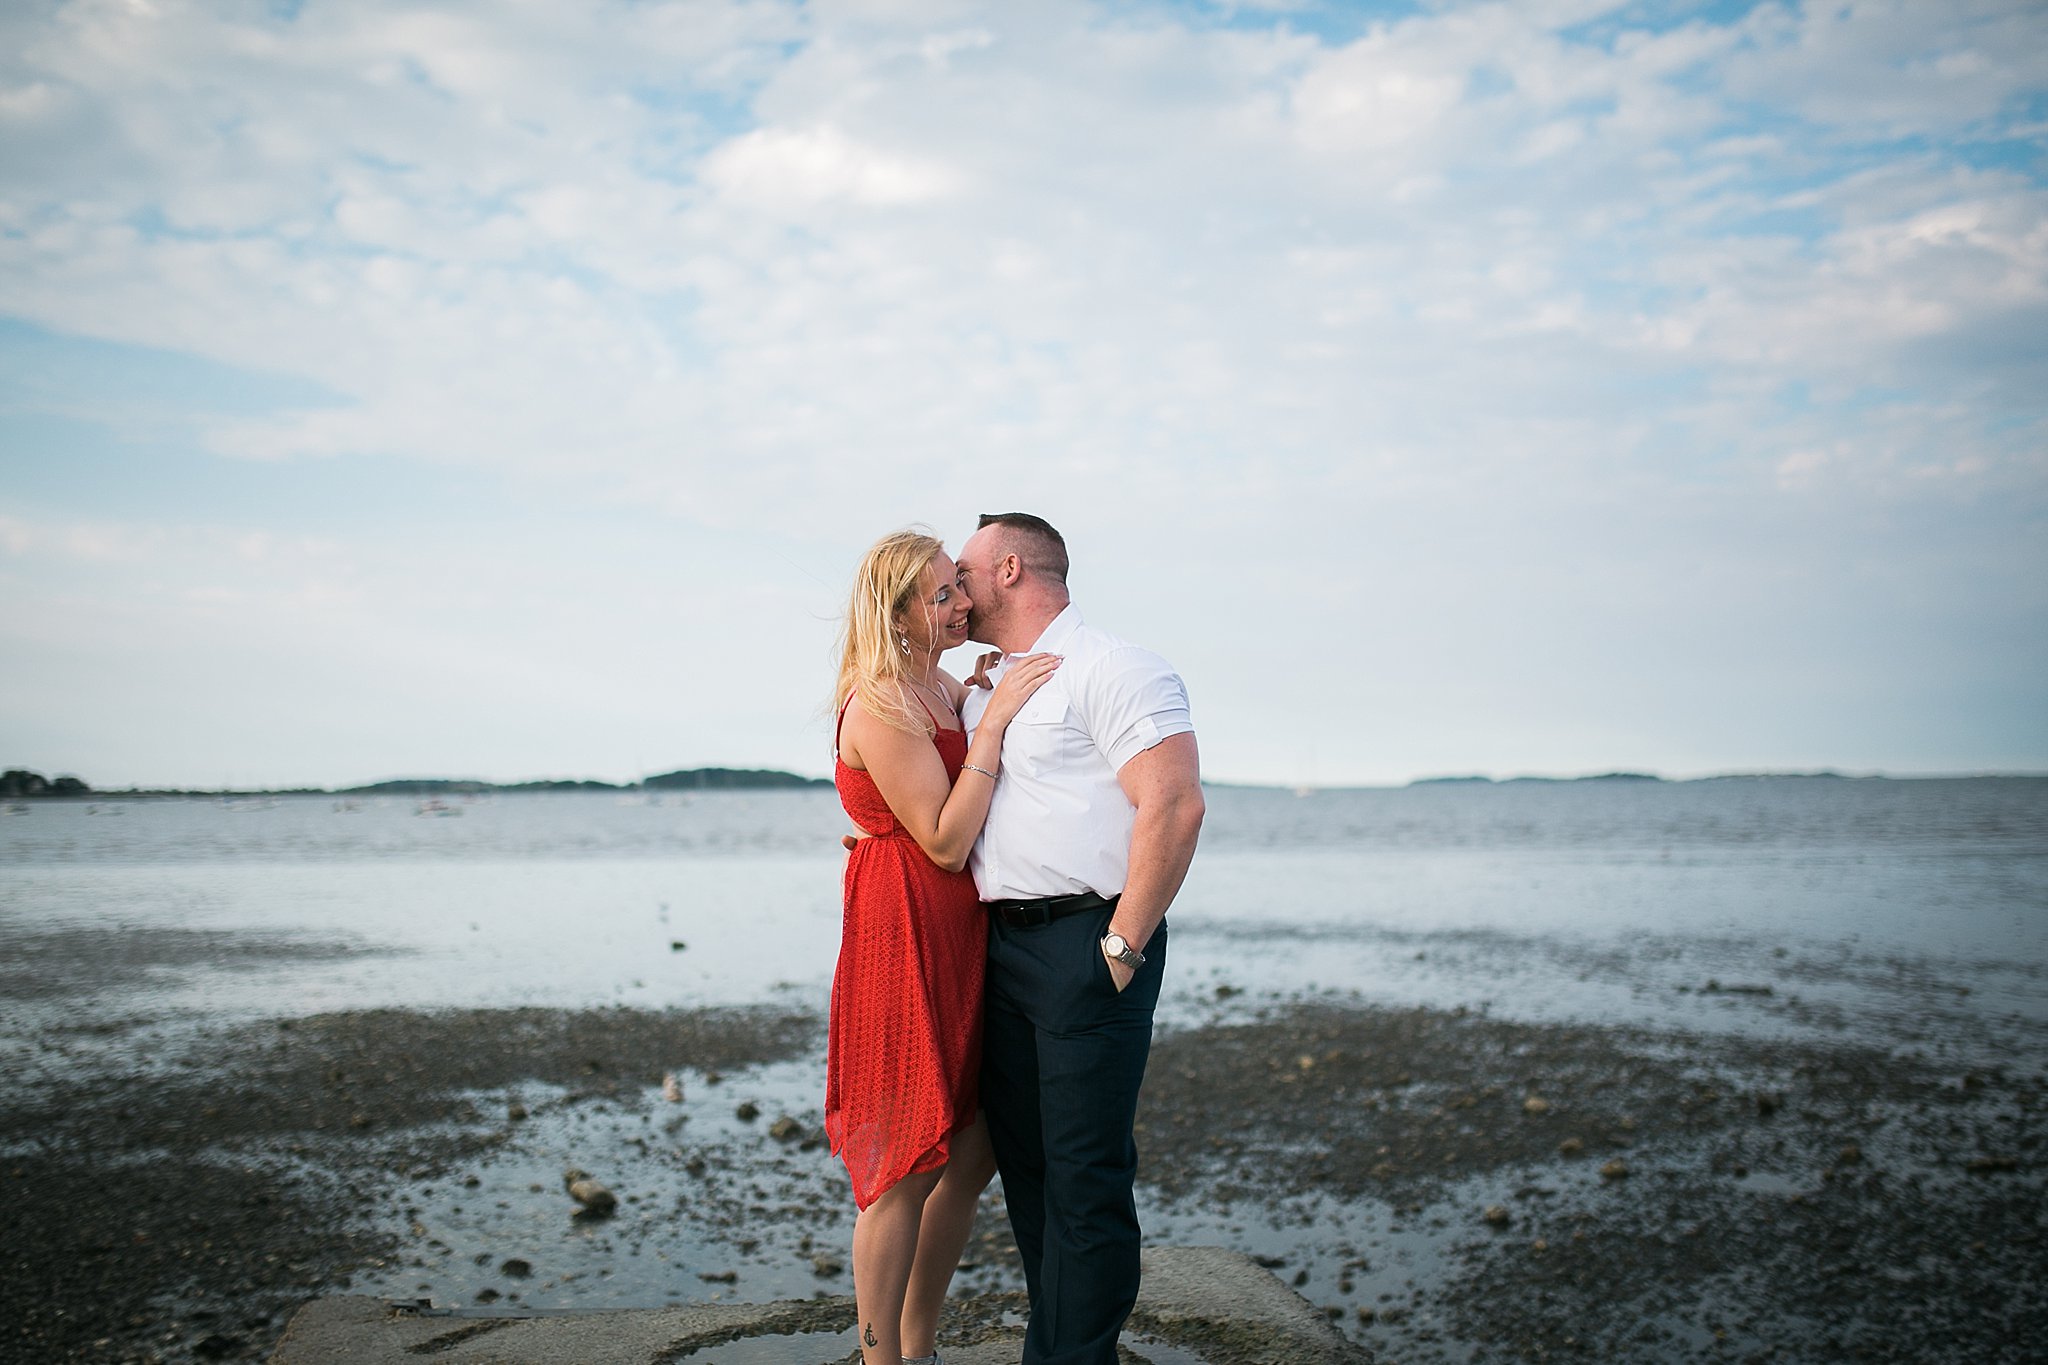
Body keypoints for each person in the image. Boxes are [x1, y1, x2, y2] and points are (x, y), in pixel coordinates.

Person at [954, 512, 1205, 1365]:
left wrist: (1124, 943)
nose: (954, 587)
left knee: (1086, 1179)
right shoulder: (992, 683)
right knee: (1029, 1176)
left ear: (1011, 568)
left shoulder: (1116, 666)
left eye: (965, 570)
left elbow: (1173, 802)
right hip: (1001, 948)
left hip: (1086, 943)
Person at [827, 528, 1061, 1365]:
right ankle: (880, 1358)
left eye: (959, 586)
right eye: (941, 594)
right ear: (896, 615)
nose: (962, 603)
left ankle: (918, 1342)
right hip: (905, 935)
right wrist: (993, 721)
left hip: (960, 931)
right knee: (904, 1162)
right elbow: (943, 840)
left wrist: (978, 701)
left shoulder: (935, 684)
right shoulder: (882, 700)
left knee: (971, 1149)